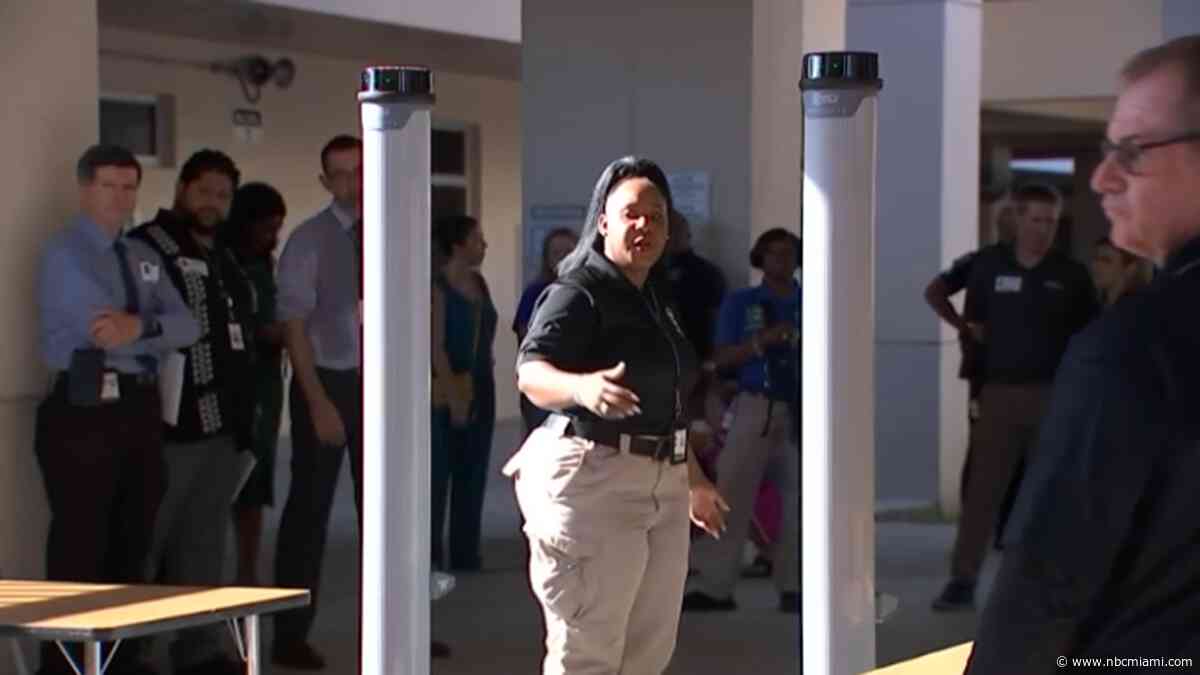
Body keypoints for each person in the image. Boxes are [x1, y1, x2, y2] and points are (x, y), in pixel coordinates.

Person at [967, 35, 1200, 672]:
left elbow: (1048, 579)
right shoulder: (992, 270)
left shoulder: (1139, 344)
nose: (1101, 179)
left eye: (1133, 152)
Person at [501, 156, 727, 675]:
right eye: (631, 213)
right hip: (592, 479)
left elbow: (665, 401)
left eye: (657, 215)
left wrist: (693, 479)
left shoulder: (655, 296)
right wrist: (581, 387)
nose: (644, 225)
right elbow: (530, 373)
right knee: (589, 656)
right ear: (603, 221)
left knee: (647, 654)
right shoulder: (577, 291)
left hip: (660, 484)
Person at [35, 144, 199, 675]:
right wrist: (144, 331)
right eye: (109, 185)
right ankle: (66, 666)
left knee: (134, 540)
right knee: (81, 544)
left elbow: (189, 326)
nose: (120, 197)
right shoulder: (65, 253)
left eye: (129, 186)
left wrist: (142, 328)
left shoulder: (142, 255)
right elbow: (99, 331)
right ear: (86, 189)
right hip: (85, 407)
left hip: (139, 409)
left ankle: (121, 661)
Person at [931, 183, 1099, 612]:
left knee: (1053, 490)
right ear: (1017, 219)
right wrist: (962, 327)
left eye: (1051, 221)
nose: (1044, 229)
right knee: (983, 491)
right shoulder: (988, 265)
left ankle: (1054, 585)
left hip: (1054, 397)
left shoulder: (1071, 275)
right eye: (1036, 219)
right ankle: (963, 580)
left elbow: (1092, 337)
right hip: (999, 395)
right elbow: (936, 290)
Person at [130, 149, 258, 675]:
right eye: (204, 191)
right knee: (149, 542)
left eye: (223, 195)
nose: (212, 203)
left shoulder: (226, 258)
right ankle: (133, 654)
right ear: (182, 190)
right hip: (168, 428)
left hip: (223, 429)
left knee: (205, 544)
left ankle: (199, 651)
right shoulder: (147, 248)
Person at [272, 134, 365, 669]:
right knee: (309, 512)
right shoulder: (309, 240)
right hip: (328, 381)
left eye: (359, 170)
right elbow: (294, 326)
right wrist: (316, 401)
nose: (352, 182)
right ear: (326, 181)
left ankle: (406, 623)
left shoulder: (393, 233)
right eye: (340, 173)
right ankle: (290, 635)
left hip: (382, 386)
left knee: (393, 512)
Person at [683, 228, 801, 614]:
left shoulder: (811, 301)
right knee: (731, 495)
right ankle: (717, 587)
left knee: (797, 502)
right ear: (760, 259)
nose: (782, 261)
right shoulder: (742, 303)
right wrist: (761, 342)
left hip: (801, 409)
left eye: (789, 254)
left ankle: (795, 586)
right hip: (754, 404)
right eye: (774, 254)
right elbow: (721, 358)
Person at [924, 213, 1016, 505]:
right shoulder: (980, 261)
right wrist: (962, 326)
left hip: (1021, 369)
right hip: (985, 369)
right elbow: (933, 292)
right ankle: (977, 514)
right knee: (985, 443)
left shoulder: (1044, 267)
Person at [221, 182, 287, 586]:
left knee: (257, 488)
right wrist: (270, 332)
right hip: (233, 384)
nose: (272, 237)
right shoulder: (226, 263)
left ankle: (248, 574)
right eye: (266, 228)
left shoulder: (266, 266)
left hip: (266, 386)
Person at [430, 214, 498, 572]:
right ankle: (431, 554)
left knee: (474, 470)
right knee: (439, 472)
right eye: (476, 239)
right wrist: (455, 398)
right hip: (447, 387)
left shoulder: (480, 284)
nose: (483, 245)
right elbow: (435, 344)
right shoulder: (438, 288)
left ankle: (465, 551)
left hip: (481, 382)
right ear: (458, 245)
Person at [513, 227, 578, 435]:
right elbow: (525, 338)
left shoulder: (588, 292)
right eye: (556, 253)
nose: (562, 259)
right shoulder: (535, 292)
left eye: (568, 252)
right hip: (545, 384)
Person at [1090, 235, 1149, 307]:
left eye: (1106, 260)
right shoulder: (1097, 306)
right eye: (1095, 258)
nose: (1095, 265)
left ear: (1130, 268)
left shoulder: (1136, 309)